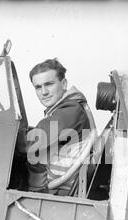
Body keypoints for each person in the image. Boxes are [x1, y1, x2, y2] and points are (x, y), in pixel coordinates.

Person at [17, 58, 92, 193]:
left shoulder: (71, 110)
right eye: (38, 87)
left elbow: (34, 140)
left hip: (58, 193)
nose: (44, 92)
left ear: (63, 84)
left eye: (49, 84)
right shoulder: (64, 109)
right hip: (55, 187)